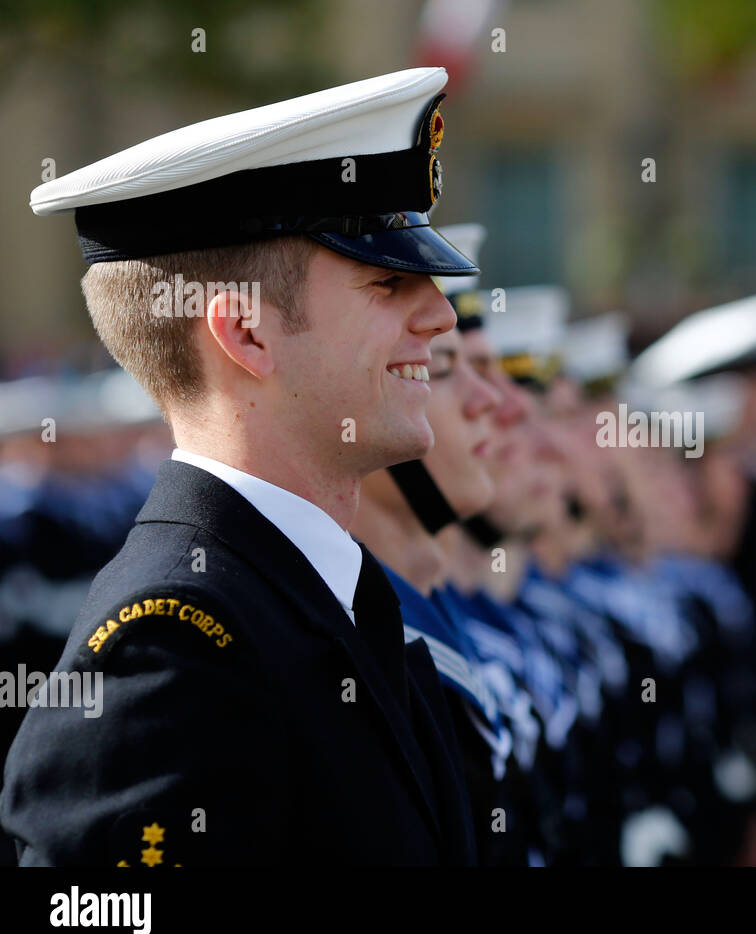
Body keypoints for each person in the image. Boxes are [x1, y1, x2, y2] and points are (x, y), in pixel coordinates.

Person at [2, 69, 480, 865]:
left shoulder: (336, 596)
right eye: (388, 282)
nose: (438, 315)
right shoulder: (174, 645)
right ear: (247, 333)